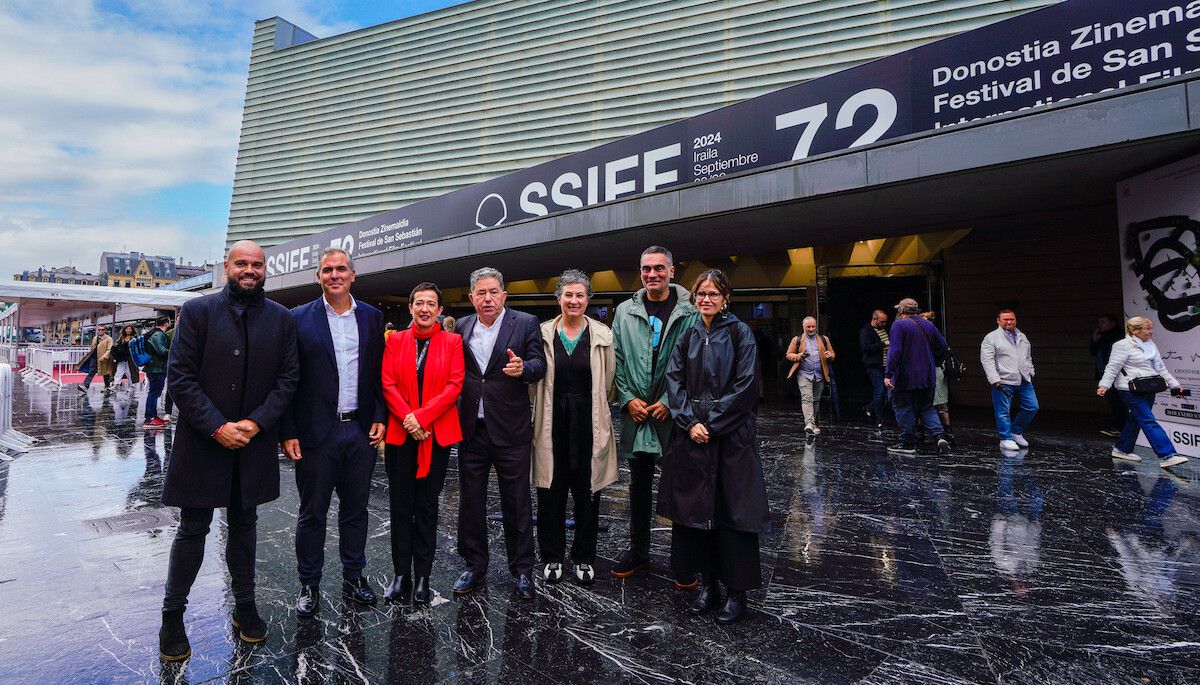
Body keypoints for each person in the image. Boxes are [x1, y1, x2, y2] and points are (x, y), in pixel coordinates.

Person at [157, 240, 299, 661]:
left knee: (244, 525)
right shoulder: (198, 312)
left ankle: (245, 605)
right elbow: (180, 377)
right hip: (204, 442)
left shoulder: (281, 318)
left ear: (265, 270)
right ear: (226, 267)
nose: (250, 270)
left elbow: (288, 380)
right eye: (242, 263)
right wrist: (217, 426)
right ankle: (172, 616)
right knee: (192, 529)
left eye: (257, 265)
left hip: (252, 444)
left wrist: (256, 423)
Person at [658, 269, 770, 624]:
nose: (707, 299)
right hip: (692, 440)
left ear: (726, 298)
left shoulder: (740, 334)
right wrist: (690, 423)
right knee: (696, 515)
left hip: (731, 440)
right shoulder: (687, 334)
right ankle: (709, 587)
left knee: (731, 514)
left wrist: (713, 423)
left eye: (714, 294)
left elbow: (747, 386)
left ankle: (737, 594)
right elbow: (672, 380)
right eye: (701, 294)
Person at [280, 248, 387, 618]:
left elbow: (378, 373)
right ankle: (308, 583)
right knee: (313, 513)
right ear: (318, 277)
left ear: (353, 275)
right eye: (327, 270)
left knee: (356, 511)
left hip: (359, 432)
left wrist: (380, 415)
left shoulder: (372, 318)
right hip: (315, 436)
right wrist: (288, 430)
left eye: (341, 269)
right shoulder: (297, 319)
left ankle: (354, 576)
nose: (335, 275)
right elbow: (288, 379)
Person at [453, 267, 547, 599]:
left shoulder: (524, 323)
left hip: (510, 430)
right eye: (481, 292)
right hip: (471, 431)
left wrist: (523, 369)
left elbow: (539, 365)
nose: (488, 298)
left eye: (494, 291)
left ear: (504, 295)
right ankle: (474, 566)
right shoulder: (462, 327)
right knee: (471, 503)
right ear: (472, 297)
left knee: (517, 502)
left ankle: (522, 571)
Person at [611, 245, 698, 582]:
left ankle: (684, 560)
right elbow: (616, 359)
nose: (652, 275)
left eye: (659, 268)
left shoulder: (690, 311)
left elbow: (694, 363)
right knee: (638, 485)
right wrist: (627, 397)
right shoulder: (624, 311)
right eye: (646, 269)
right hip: (635, 414)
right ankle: (639, 552)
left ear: (672, 271)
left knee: (680, 486)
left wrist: (669, 400)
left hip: (673, 413)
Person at [532, 270, 618, 586]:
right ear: (558, 298)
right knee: (550, 495)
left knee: (588, 495)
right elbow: (534, 382)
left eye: (580, 295)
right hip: (550, 424)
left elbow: (609, 382)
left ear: (587, 299)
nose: (574, 300)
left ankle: (584, 558)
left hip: (589, 424)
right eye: (568, 295)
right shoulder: (541, 333)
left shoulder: (602, 335)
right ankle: (552, 558)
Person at [380, 282, 463, 604]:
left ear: (440, 310)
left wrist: (423, 418)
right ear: (411, 308)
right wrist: (409, 419)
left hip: (435, 436)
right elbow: (387, 383)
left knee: (427, 508)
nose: (425, 309)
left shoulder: (453, 342)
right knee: (401, 508)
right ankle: (401, 575)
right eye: (419, 303)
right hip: (402, 437)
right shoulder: (395, 341)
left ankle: (423, 578)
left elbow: (455, 385)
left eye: (431, 304)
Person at [1097, 316, 1189, 469]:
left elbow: (1161, 368)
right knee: (1147, 420)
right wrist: (1104, 385)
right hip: (1129, 388)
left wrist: (1175, 385)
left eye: (1151, 328)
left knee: (1136, 419)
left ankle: (1122, 449)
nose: (1151, 332)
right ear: (1134, 330)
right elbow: (1113, 367)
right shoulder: (1122, 345)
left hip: (1149, 386)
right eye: (1147, 329)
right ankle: (1168, 455)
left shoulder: (1150, 345)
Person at [884, 298, 950, 455]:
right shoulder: (928, 324)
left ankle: (907, 443)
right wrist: (932, 362)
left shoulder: (899, 325)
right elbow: (943, 346)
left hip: (905, 376)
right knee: (927, 407)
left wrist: (889, 374)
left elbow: (895, 352)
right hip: (928, 375)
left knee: (903, 407)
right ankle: (939, 436)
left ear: (901, 311)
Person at [981, 309, 1038, 451]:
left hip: (1024, 379)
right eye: (1005, 319)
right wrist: (994, 379)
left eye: (1012, 319)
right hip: (1003, 380)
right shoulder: (992, 337)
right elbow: (987, 360)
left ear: (1015, 320)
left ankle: (1016, 431)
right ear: (998, 321)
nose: (1009, 322)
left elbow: (1028, 356)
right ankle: (1005, 438)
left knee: (1032, 406)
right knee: (1003, 411)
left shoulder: (1022, 336)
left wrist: (1030, 370)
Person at [785, 316, 834, 436]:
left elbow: (833, 354)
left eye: (813, 326)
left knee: (816, 399)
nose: (811, 329)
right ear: (803, 327)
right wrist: (799, 356)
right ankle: (809, 423)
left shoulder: (824, 339)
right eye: (808, 327)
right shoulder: (797, 339)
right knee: (807, 398)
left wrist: (829, 355)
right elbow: (788, 354)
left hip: (819, 374)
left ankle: (813, 424)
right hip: (804, 374)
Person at [1091, 314, 1125, 436]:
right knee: (1112, 401)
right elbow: (1094, 352)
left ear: (1112, 323)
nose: (1099, 325)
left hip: (1114, 374)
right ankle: (1117, 426)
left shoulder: (1118, 337)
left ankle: (1120, 428)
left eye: (1103, 322)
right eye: (1099, 322)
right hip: (1103, 373)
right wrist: (1094, 340)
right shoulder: (1103, 336)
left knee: (1118, 401)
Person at [920, 312, 951, 435]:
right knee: (941, 404)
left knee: (925, 403)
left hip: (931, 370)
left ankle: (922, 433)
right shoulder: (937, 335)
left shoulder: (927, 338)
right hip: (938, 370)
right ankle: (948, 432)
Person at [859, 309, 889, 429]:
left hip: (886, 365)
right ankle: (879, 419)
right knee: (880, 391)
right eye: (882, 322)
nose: (884, 324)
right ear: (874, 319)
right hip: (874, 366)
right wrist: (883, 344)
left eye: (885, 322)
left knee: (887, 393)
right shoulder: (866, 331)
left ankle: (870, 407)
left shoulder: (885, 330)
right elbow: (865, 348)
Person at [142, 317, 171, 428]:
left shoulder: (152, 333)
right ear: (166, 324)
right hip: (157, 368)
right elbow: (162, 351)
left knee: (154, 393)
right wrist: (175, 351)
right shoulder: (159, 335)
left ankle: (153, 416)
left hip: (154, 367)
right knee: (154, 393)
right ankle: (150, 418)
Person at [78, 325, 113, 393]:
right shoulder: (95, 338)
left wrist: (105, 357)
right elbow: (93, 347)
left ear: (105, 330)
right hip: (94, 357)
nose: (101, 331)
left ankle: (107, 386)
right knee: (91, 371)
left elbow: (109, 349)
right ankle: (86, 385)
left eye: (102, 329)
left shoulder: (109, 339)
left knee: (105, 372)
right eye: (99, 330)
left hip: (104, 358)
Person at [111, 325, 140, 389]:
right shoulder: (121, 338)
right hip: (121, 357)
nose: (128, 330)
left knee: (130, 371)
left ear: (132, 330)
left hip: (130, 358)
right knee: (119, 370)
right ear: (124, 330)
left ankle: (131, 385)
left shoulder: (134, 338)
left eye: (130, 329)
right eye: (127, 329)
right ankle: (116, 384)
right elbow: (116, 345)